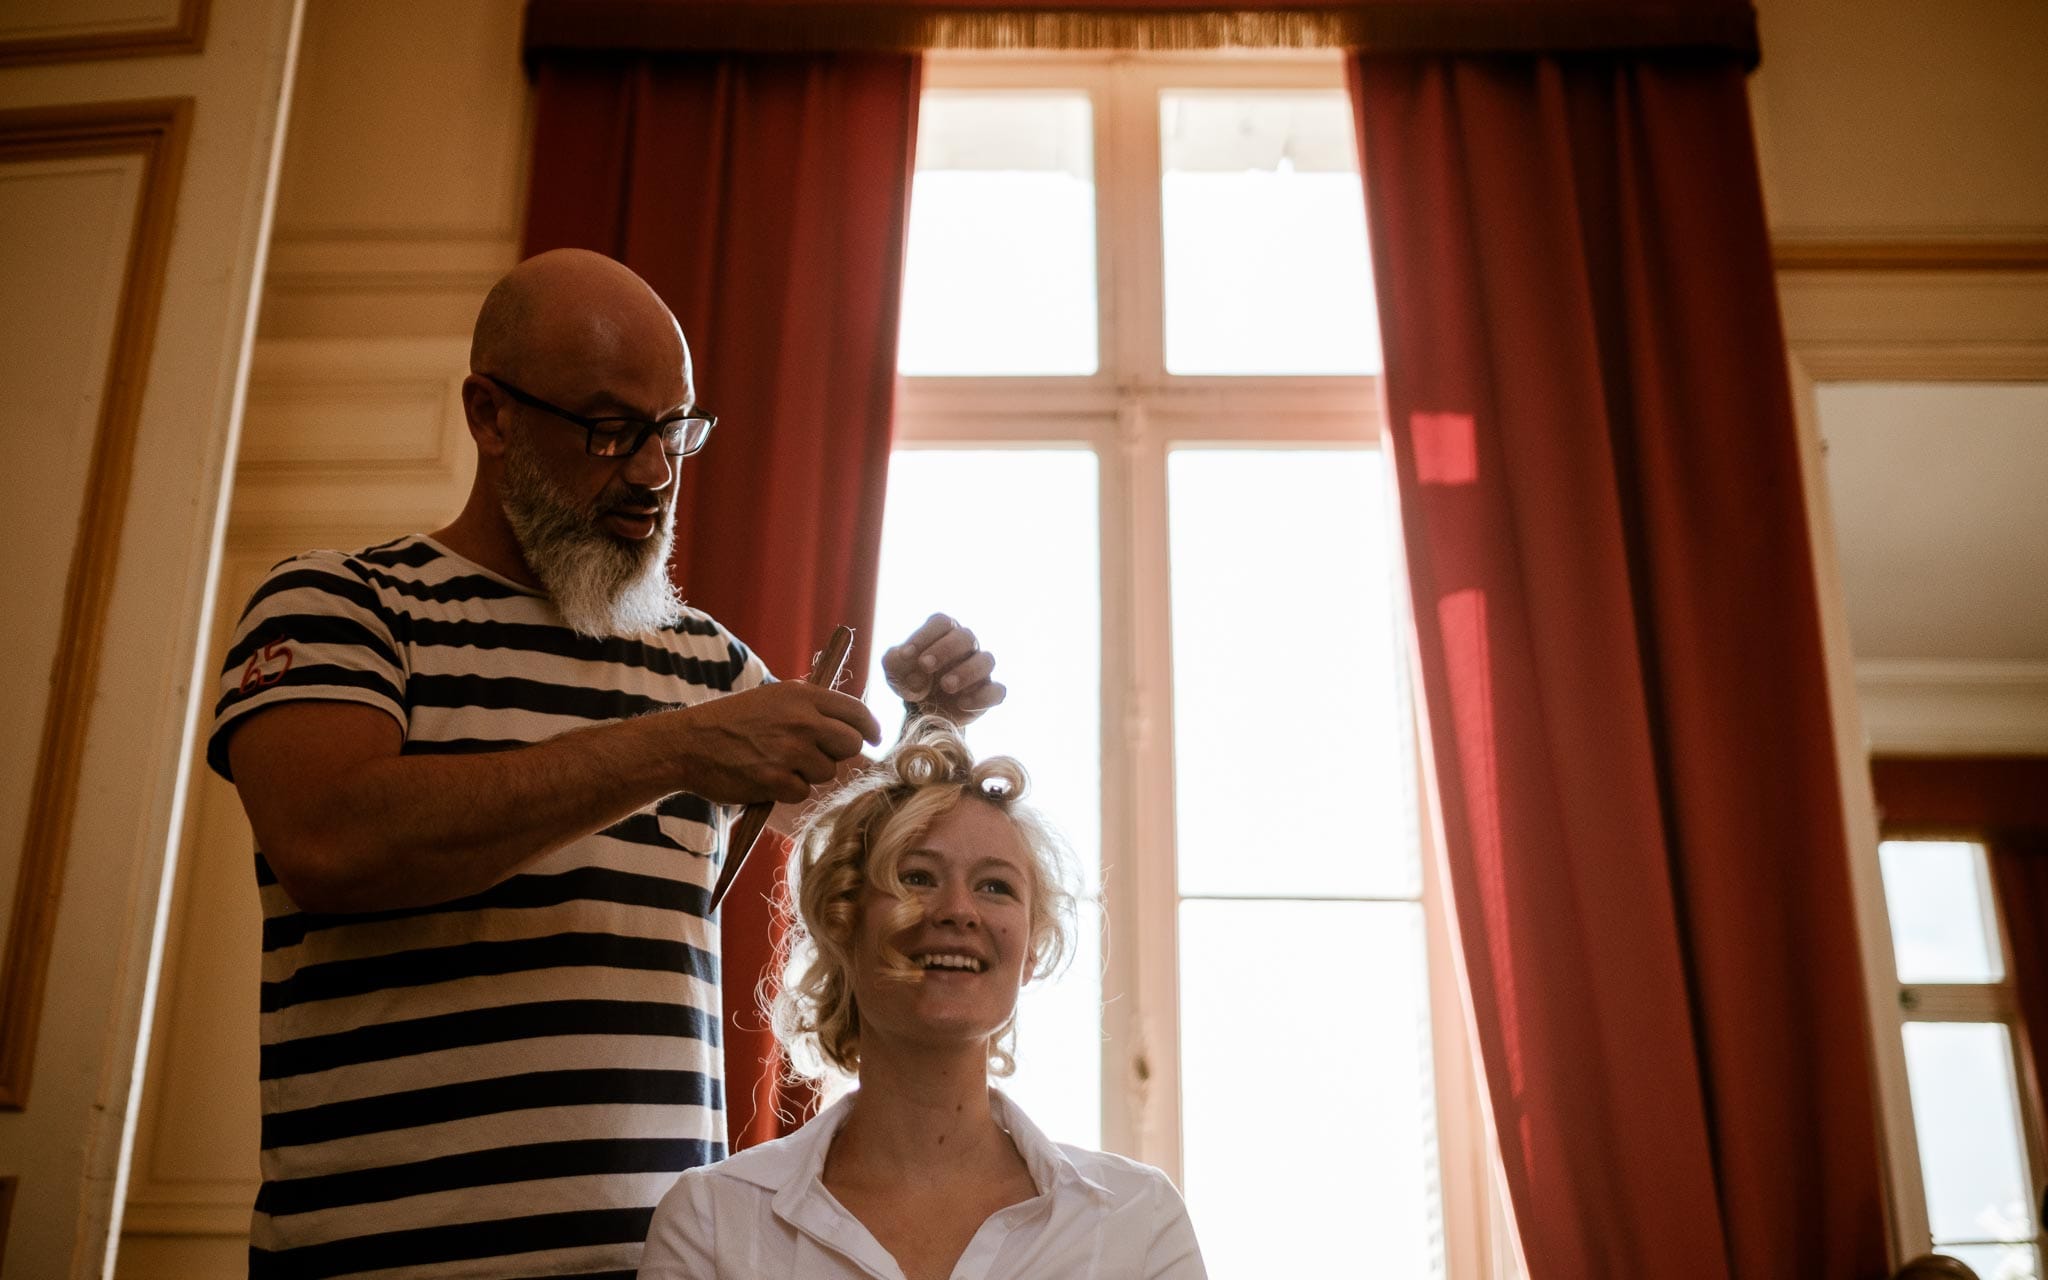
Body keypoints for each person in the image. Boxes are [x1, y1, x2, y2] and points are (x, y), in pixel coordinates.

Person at [208, 249, 1002, 1278]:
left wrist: (916, 718)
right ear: (489, 414)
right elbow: (332, 839)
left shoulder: (706, 660)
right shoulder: (340, 603)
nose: (653, 473)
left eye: (674, 429)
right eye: (609, 429)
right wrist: (674, 744)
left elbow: (862, 835)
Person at [639, 718, 1208, 1280]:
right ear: (843, 923)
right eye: (916, 877)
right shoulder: (714, 1221)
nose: (959, 910)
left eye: (995, 886)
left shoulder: (1139, 1222)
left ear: (1031, 949)